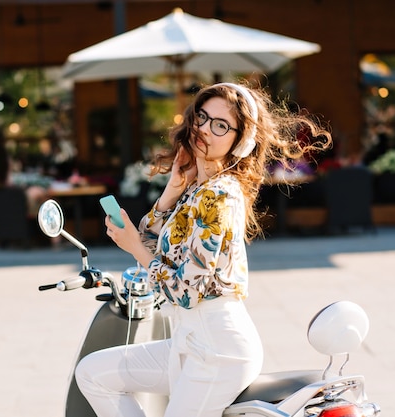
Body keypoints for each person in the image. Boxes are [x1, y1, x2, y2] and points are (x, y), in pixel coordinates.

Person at [75, 82, 332, 417]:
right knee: (92, 373)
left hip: (218, 351)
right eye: (202, 117)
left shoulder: (221, 194)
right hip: (191, 340)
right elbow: (151, 241)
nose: (205, 129)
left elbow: (185, 290)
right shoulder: (197, 189)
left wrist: (136, 248)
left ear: (241, 143)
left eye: (221, 125)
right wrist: (173, 187)